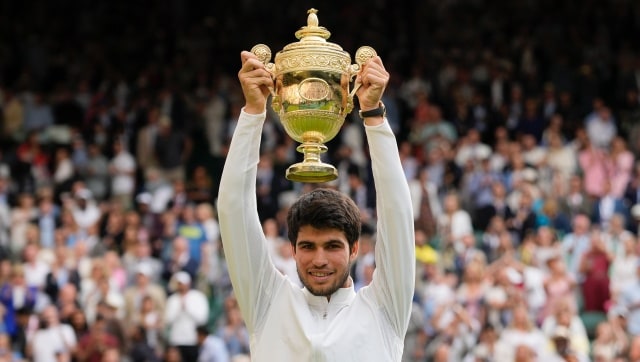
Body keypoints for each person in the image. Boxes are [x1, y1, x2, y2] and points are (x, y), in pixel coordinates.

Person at [217, 51, 415, 361]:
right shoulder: (267, 303)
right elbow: (232, 209)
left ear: (354, 249)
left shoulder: (385, 309)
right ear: (293, 250)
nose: (319, 259)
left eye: (332, 246)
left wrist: (374, 115)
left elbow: (398, 214)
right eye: (308, 246)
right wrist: (253, 112)